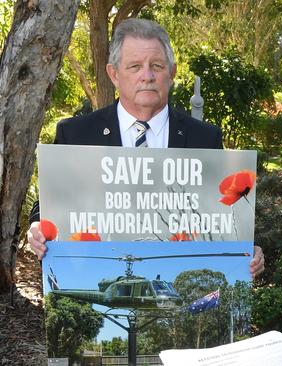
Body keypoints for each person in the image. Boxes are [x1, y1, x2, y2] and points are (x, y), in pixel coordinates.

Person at [27, 18, 264, 277]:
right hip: (96, 273)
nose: (147, 76)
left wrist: (247, 251)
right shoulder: (76, 134)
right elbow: (52, 204)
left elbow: (221, 217)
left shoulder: (204, 139)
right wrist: (37, 226)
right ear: (114, 74)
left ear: (171, 74)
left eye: (157, 66)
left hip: (176, 282)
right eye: (135, 66)